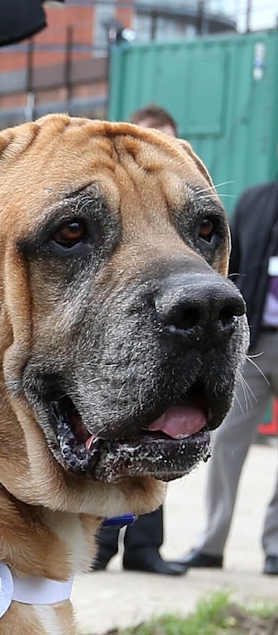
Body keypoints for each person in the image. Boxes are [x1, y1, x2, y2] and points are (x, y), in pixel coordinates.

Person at [91, 103, 188, 576]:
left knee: (165, 443)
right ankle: (101, 547)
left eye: (204, 232)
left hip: (178, 342)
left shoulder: (184, 189)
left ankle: (145, 550)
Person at [175, 169, 278, 577]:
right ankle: (212, 543)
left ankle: (275, 548)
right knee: (225, 444)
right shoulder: (255, 200)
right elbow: (226, 264)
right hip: (255, 345)